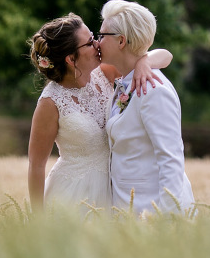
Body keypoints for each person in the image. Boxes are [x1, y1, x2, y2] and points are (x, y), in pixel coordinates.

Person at [27, 13, 172, 213]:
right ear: (71, 59)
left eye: (94, 37)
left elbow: (166, 56)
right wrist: (37, 220)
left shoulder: (104, 73)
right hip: (73, 196)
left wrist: (144, 63)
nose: (97, 44)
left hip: (114, 192)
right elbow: (36, 165)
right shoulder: (50, 102)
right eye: (89, 43)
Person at [99, 0, 195, 215]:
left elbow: (171, 160)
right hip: (126, 213)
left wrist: (167, 222)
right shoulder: (123, 83)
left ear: (121, 41)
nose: (97, 42)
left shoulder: (155, 91)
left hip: (151, 214)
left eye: (102, 35)